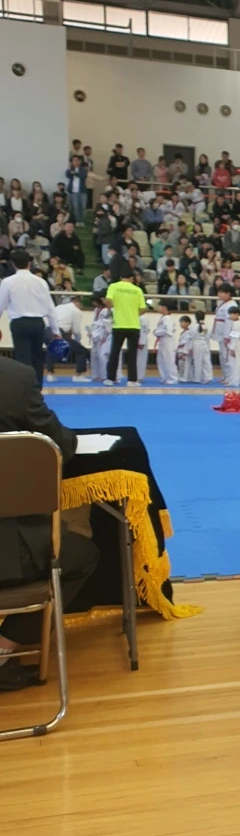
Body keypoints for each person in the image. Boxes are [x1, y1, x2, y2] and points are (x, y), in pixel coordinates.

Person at [0, 355, 100, 691]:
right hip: (8, 554)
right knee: (80, 556)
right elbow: (58, 445)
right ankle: (4, 647)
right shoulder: (13, 379)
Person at [0, 250, 58, 387]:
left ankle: (24, 389)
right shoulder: (41, 281)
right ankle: (37, 389)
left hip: (19, 323)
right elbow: (50, 307)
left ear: (12, 264)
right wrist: (56, 330)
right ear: (29, 263)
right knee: (37, 357)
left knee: (22, 357)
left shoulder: (8, 282)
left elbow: (0, 305)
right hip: (38, 323)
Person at [103, 260, 146, 385]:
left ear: (121, 277)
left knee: (114, 352)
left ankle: (110, 378)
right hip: (134, 326)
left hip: (119, 324)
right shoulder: (137, 290)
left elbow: (108, 300)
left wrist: (113, 310)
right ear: (132, 278)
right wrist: (133, 314)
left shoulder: (114, 286)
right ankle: (132, 380)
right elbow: (143, 309)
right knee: (132, 354)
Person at [48, 294, 90, 381]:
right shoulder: (76, 311)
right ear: (78, 302)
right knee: (81, 350)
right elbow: (76, 330)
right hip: (60, 331)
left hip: (47, 330)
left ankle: (50, 374)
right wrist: (78, 340)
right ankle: (78, 375)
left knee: (51, 350)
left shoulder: (59, 307)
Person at [211, 283, 236, 381]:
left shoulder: (231, 305)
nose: (219, 294)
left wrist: (227, 336)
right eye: (219, 292)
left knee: (226, 355)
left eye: (222, 292)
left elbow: (229, 322)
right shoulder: (222, 303)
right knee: (222, 355)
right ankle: (225, 375)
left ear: (228, 293)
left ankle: (230, 377)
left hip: (225, 334)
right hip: (219, 332)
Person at [153, 300, 179, 385]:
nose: (158, 308)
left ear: (164, 307)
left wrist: (156, 332)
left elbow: (168, 331)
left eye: (159, 306)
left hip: (168, 341)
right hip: (163, 341)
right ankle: (165, 377)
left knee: (168, 360)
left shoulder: (167, 318)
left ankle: (173, 378)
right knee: (161, 360)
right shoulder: (163, 318)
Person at [225, 306, 240, 388]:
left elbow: (234, 337)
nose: (230, 316)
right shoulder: (239, 323)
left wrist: (232, 349)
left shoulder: (236, 325)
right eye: (230, 314)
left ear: (237, 314)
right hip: (239, 344)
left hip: (235, 345)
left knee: (234, 364)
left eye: (232, 314)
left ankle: (234, 382)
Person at [190, 317, 213, 384]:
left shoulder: (193, 326)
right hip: (205, 343)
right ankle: (208, 377)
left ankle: (197, 378)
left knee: (197, 361)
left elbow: (191, 336)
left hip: (197, 343)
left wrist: (190, 347)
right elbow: (208, 336)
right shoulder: (205, 326)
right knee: (206, 361)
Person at [176, 316, 194, 382]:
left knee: (184, 364)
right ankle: (182, 376)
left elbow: (186, 341)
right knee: (180, 364)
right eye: (180, 323)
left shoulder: (189, 332)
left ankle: (186, 377)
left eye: (182, 322)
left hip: (185, 350)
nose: (181, 324)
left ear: (187, 323)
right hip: (181, 350)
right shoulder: (183, 332)